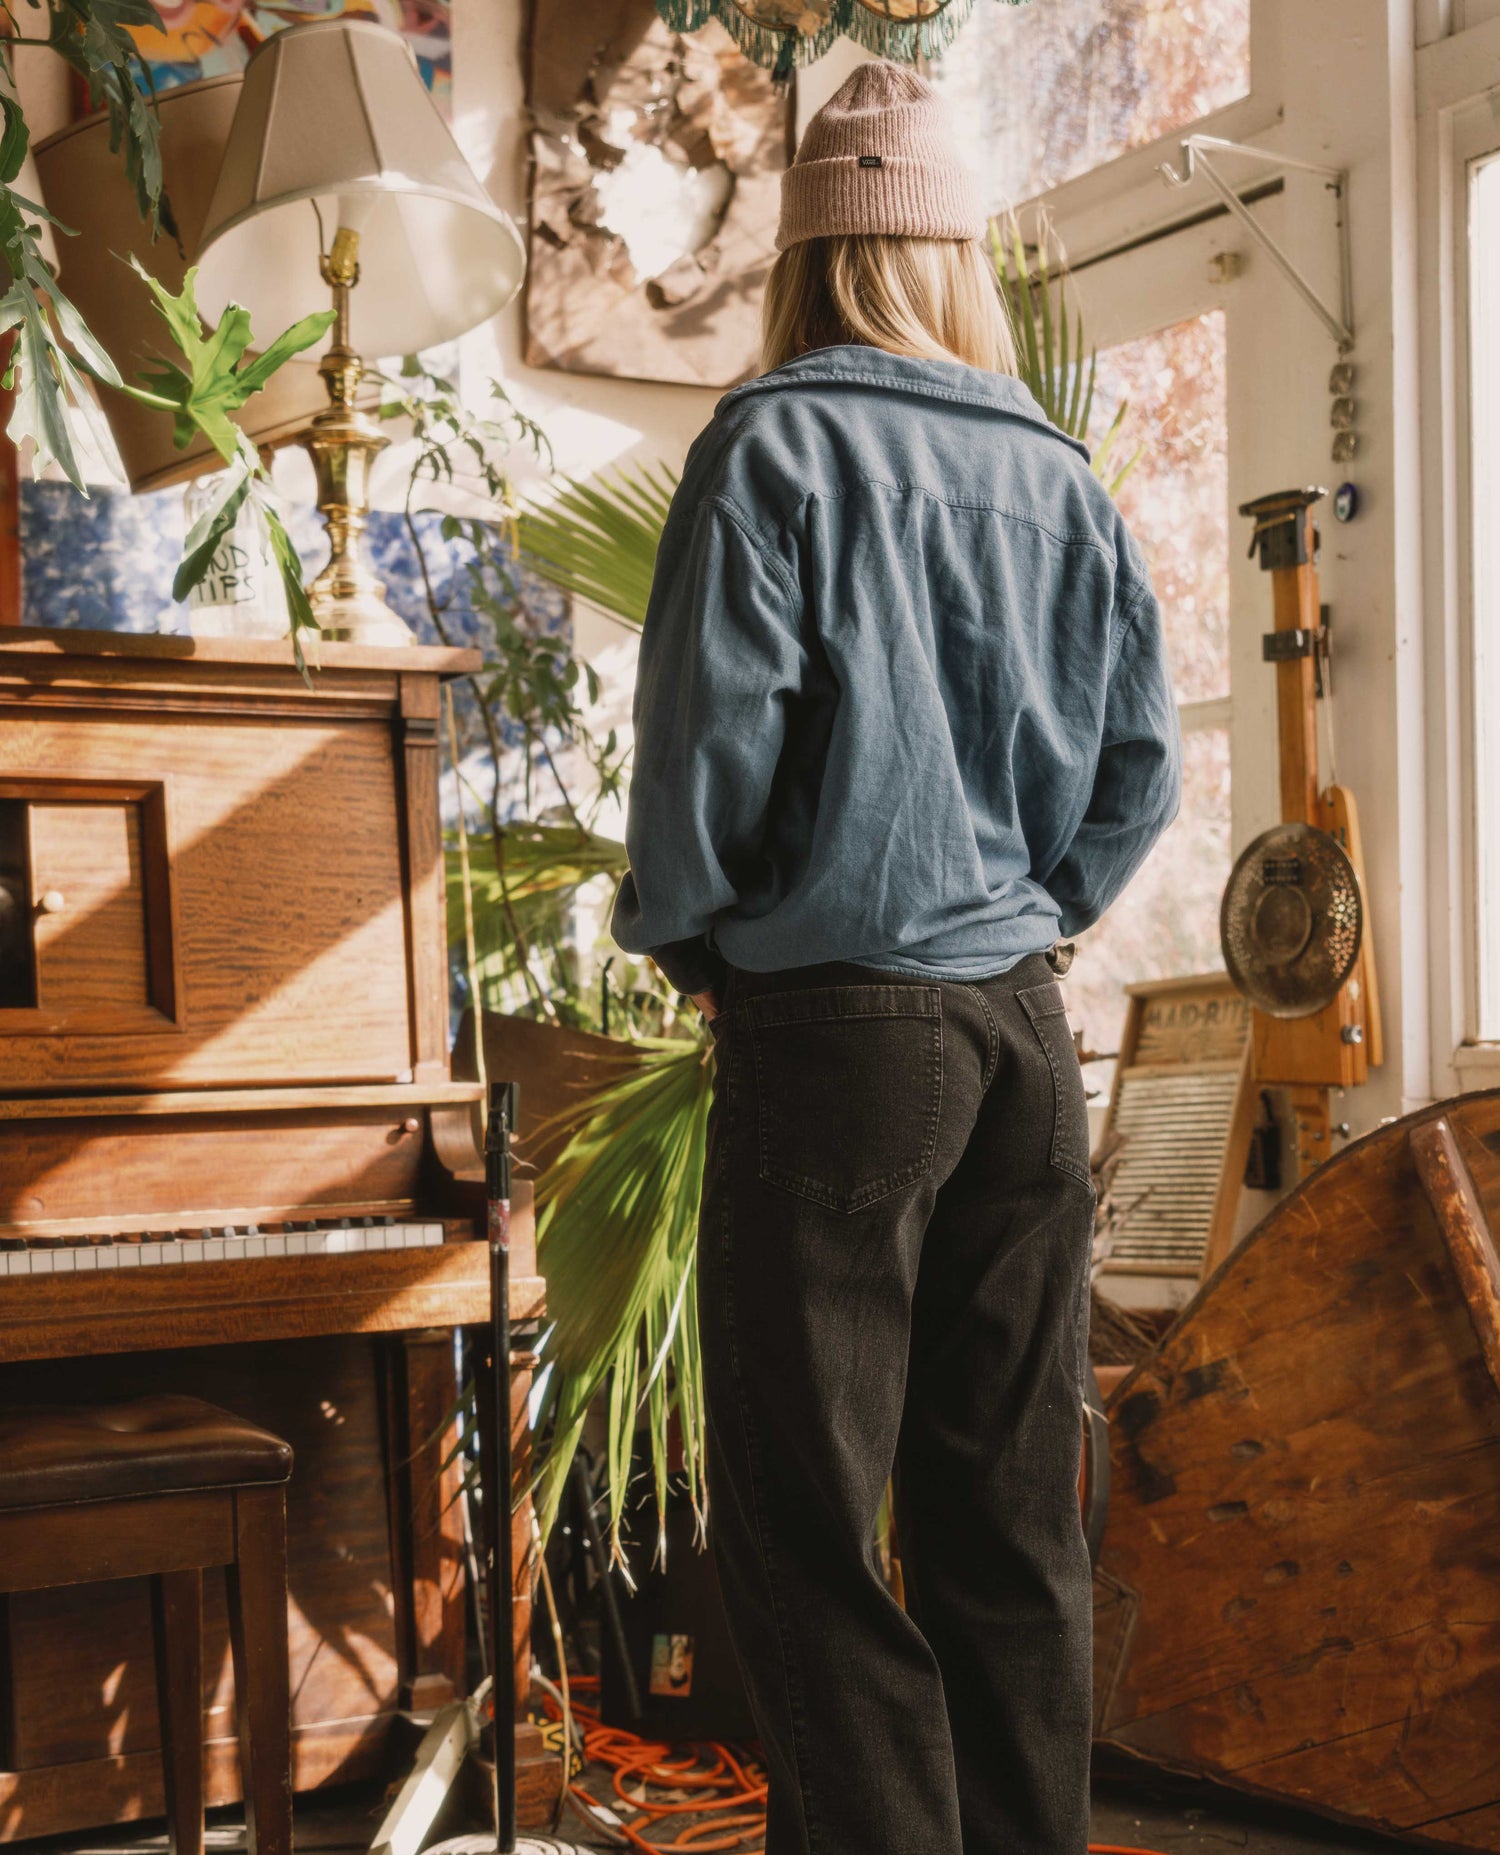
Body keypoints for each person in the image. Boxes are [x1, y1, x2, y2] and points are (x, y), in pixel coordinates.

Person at [611, 58, 1181, 1855]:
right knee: (1011, 1522)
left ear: (804, 254)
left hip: (836, 1030)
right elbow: (1137, 771)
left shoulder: (770, 446)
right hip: (1024, 1035)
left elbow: (710, 764)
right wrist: (1034, 915)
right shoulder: (1062, 479)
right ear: (954, 255)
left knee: (801, 1522)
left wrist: (702, 945)